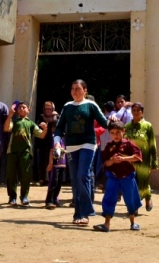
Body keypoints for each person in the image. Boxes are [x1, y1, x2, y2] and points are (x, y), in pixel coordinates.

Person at [53, 79, 109, 225]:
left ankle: (85, 211)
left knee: (82, 175)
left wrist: (114, 120)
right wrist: (57, 142)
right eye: (72, 89)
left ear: (85, 90)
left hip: (88, 145)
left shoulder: (91, 105)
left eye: (78, 89)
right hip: (71, 147)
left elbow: (104, 122)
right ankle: (78, 213)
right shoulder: (67, 107)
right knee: (76, 179)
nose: (75, 92)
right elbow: (59, 127)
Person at [93, 121, 143, 232]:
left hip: (128, 176)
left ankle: (133, 222)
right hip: (113, 177)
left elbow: (137, 157)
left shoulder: (129, 144)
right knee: (109, 198)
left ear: (123, 131)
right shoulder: (109, 146)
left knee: (130, 199)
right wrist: (113, 161)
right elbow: (105, 163)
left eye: (118, 132)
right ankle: (107, 224)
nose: (115, 135)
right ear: (109, 133)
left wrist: (124, 159)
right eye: (112, 133)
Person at [4, 101, 46, 205]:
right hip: (12, 151)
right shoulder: (14, 121)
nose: (22, 109)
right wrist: (9, 116)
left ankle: (24, 196)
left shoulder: (31, 123)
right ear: (17, 110)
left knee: (26, 174)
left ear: (28, 110)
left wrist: (45, 129)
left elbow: (41, 135)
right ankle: (12, 197)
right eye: (19, 108)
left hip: (26, 152)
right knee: (11, 175)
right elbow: (6, 128)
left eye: (24, 107)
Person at [124, 102, 158, 211]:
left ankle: (147, 197)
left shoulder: (148, 126)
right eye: (134, 110)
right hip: (130, 160)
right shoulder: (127, 126)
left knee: (143, 181)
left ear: (142, 112)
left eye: (138, 110)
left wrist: (154, 162)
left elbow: (152, 144)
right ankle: (134, 206)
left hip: (144, 160)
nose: (136, 112)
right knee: (132, 182)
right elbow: (124, 142)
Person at [36, 101, 59, 186]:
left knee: (54, 160)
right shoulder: (41, 117)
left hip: (54, 142)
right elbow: (37, 129)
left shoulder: (57, 117)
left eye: (50, 108)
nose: (48, 110)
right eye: (46, 109)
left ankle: (52, 178)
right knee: (42, 161)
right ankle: (43, 179)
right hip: (43, 142)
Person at [45, 137, 67, 209]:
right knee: (54, 182)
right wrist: (50, 163)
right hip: (55, 164)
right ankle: (49, 201)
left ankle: (55, 199)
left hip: (62, 164)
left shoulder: (64, 139)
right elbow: (52, 150)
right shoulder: (55, 138)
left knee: (59, 183)